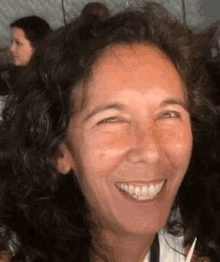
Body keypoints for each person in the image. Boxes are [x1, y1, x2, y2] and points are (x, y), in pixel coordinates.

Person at [0, 2, 219, 261]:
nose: (150, 151)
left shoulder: (188, 239)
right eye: (112, 120)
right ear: (60, 151)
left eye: (169, 114)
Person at [0, 15, 52, 95]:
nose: (11, 49)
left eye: (18, 43)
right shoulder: (15, 73)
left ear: (37, 46)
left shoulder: (49, 85)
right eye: (12, 42)